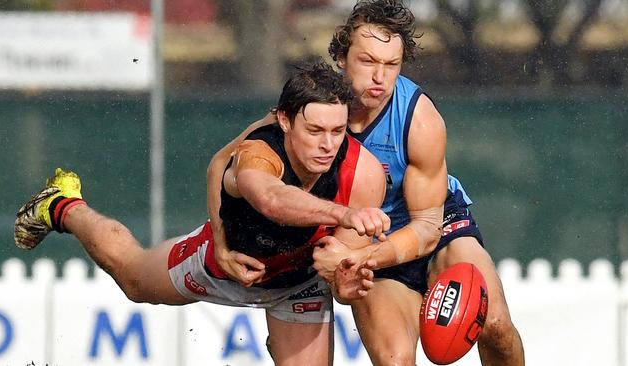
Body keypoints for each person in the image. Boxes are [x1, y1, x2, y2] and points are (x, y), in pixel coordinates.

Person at [207, 1, 525, 365]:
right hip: (365, 236)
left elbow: (426, 229)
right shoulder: (311, 108)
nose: (380, 78)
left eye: (391, 65)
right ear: (342, 57)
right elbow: (221, 162)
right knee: (395, 360)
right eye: (368, 61)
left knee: (496, 324)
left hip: (432, 224)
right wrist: (220, 243)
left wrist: (357, 258)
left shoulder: (419, 120)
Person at [14, 61, 390, 366]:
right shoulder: (259, 151)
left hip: (296, 282)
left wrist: (344, 281)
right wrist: (222, 246)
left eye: (338, 131)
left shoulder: (365, 175)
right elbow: (271, 199)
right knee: (132, 278)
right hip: (222, 266)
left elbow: (340, 269)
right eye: (315, 130)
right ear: (285, 121)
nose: (328, 145)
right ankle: (61, 205)